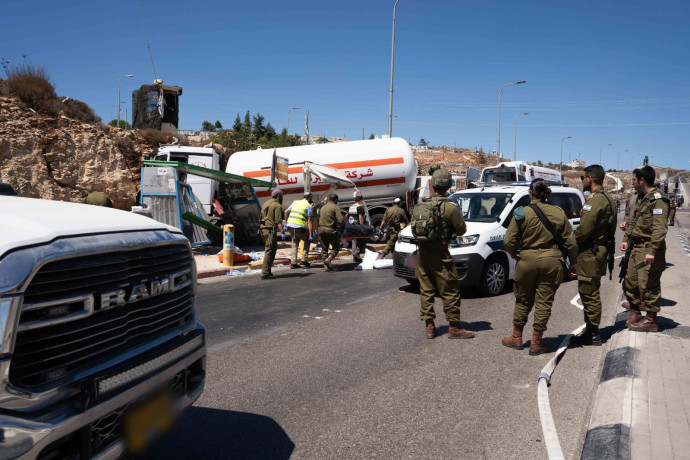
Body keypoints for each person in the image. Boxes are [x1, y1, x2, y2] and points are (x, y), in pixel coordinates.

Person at [502, 179, 578, 355]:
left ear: (531, 193)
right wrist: (574, 262)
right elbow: (571, 242)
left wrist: (516, 255)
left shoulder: (521, 213)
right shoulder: (558, 213)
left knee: (523, 299)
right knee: (544, 301)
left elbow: (509, 241)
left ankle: (516, 336)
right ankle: (536, 342)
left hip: (526, 260)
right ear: (547, 194)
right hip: (552, 261)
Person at [414, 169, 475, 339]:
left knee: (426, 289)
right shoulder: (449, 207)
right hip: (441, 254)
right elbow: (462, 230)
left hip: (422, 252)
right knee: (450, 289)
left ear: (433, 185)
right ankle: (454, 327)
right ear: (448, 186)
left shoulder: (420, 205)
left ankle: (429, 326)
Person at [621, 166, 670, 332]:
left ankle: (650, 319)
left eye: (634, 180)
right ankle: (635, 312)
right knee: (631, 281)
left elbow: (660, 228)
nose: (632, 183)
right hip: (636, 246)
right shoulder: (642, 198)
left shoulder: (658, 199)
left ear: (642, 180)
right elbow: (633, 221)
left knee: (648, 284)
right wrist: (626, 239)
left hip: (648, 247)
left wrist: (652, 251)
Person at [572, 165, 616, 346]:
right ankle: (592, 329)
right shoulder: (608, 199)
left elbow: (583, 231)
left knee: (589, 292)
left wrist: (571, 240)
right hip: (599, 251)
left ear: (589, 178)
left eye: (583, 178)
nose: (582, 181)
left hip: (591, 253)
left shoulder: (596, 201)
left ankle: (593, 333)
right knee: (591, 290)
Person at [259, 189, 284, 280]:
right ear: (278, 196)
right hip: (270, 231)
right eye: (281, 196)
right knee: (269, 251)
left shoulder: (266, 203)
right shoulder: (277, 205)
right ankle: (265, 272)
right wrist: (282, 232)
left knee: (271, 250)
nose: (282, 197)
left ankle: (268, 271)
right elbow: (278, 221)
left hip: (263, 229)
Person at [284, 192, 314, 268]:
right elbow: (309, 221)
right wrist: (310, 234)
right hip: (300, 228)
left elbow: (286, 211)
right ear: (310, 198)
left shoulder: (295, 202)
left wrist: (286, 222)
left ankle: (293, 263)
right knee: (306, 241)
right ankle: (304, 261)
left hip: (291, 226)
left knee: (294, 243)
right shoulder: (308, 206)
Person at [319, 194, 345, 271]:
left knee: (324, 248)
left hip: (320, 229)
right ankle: (328, 259)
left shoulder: (323, 207)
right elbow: (340, 220)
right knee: (337, 246)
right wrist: (343, 227)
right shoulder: (335, 207)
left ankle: (326, 266)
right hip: (330, 229)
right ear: (335, 200)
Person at [348, 194, 368, 263]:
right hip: (358, 226)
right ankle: (357, 252)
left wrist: (350, 222)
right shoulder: (360, 207)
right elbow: (360, 217)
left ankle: (355, 257)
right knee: (361, 240)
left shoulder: (351, 207)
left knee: (354, 241)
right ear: (360, 201)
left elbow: (347, 216)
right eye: (361, 201)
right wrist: (362, 226)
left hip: (352, 226)